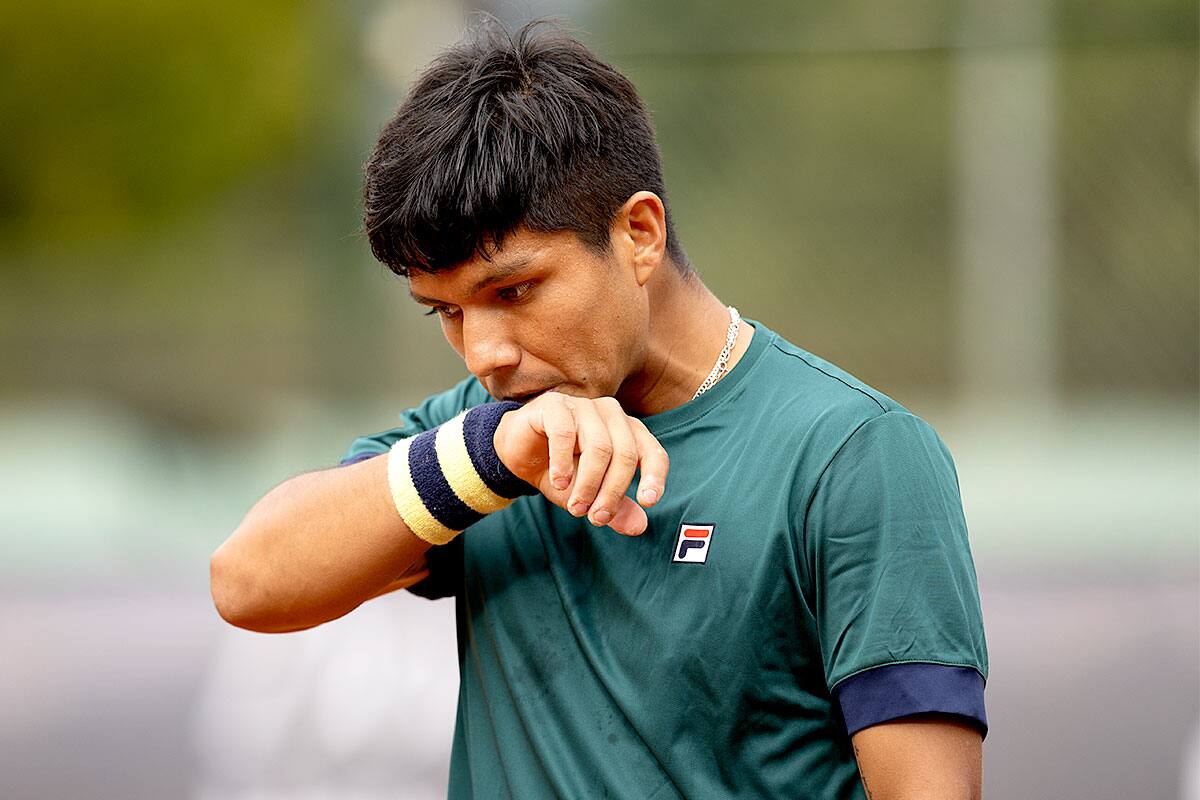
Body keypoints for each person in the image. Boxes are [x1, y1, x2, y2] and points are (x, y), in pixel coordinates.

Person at [210, 19, 989, 800]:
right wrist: (492, 458)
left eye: (513, 290)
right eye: (445, 311)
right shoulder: (486, 437)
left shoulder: (856, 454)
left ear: (638, 234)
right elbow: (247, 583)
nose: (484, 354)